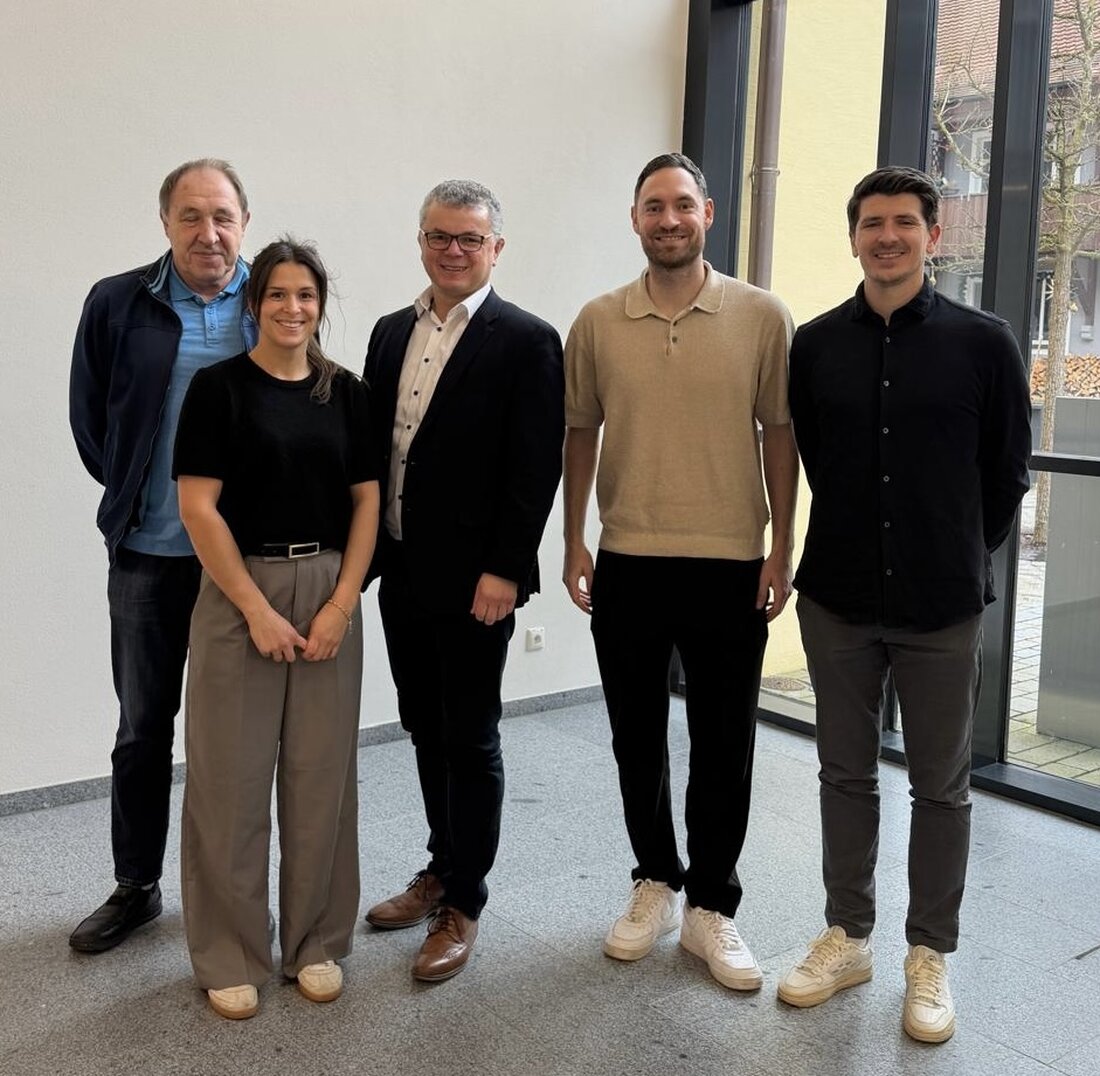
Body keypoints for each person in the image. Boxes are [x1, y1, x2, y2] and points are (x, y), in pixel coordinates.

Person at [777, 166, 1031, 1043]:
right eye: (872, 223)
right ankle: (849, 934)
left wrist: (955, 546)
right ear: (853, 237)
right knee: (843, 774)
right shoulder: (813, 345)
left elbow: (1006, 473)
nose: (888, 236)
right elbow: (815, 455)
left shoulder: (985, 342)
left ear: (933, 235)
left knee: (942, 788)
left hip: (941, 606)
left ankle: (930, 955)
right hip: (839, 597)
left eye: (905, 222)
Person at [563, 152, 798, 990]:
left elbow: (780, 432)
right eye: (653, 206)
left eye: (683, 205)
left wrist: (780, 545)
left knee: (724, 743)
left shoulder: (763, 316)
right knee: (636, 739)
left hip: (730, 560)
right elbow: (579, 433)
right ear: (635, 218)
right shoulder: (596, 321)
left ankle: (712, 907)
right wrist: (574, 539)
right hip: (627, 556)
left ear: (708, 214)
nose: (668, 219)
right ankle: (654, 879)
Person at [361, 179, 564, 981]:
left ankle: (464, 903)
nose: (454, 250)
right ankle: (440, 864)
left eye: (470, 240)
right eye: (440, 236)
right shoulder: (387, 333)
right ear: (420, 241)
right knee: (423, 726)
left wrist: (506, 570)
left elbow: (533, 467)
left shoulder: (526, 339)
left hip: (479, 582)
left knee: (471, 737)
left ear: (496, 250)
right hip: (400, 570)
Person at [174, 238, 379, 1019]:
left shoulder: (347, 395)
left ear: (321, 305)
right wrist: (256, 610)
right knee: (228, 779)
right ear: (253, 303)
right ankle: (230, 951)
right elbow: (199, 508)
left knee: (322, 776)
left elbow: (366, 503)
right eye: (277, 295)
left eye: (306, 295)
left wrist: (340, 605)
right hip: (239, 588)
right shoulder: (218, 390)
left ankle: (317, 943)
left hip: (330, 581)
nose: (293, 308)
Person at [68, 159, 252, 953]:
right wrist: (140, 494)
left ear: (244, 221)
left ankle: (230, 896)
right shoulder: (118, 303)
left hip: (244, 567)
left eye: (222, 216)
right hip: (146, 556)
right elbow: (92, 419)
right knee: (144, 727)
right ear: (165, 222)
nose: (207, 233)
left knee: (234, 739)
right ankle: (136, 885)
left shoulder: (274, 298)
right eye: (190, 216)